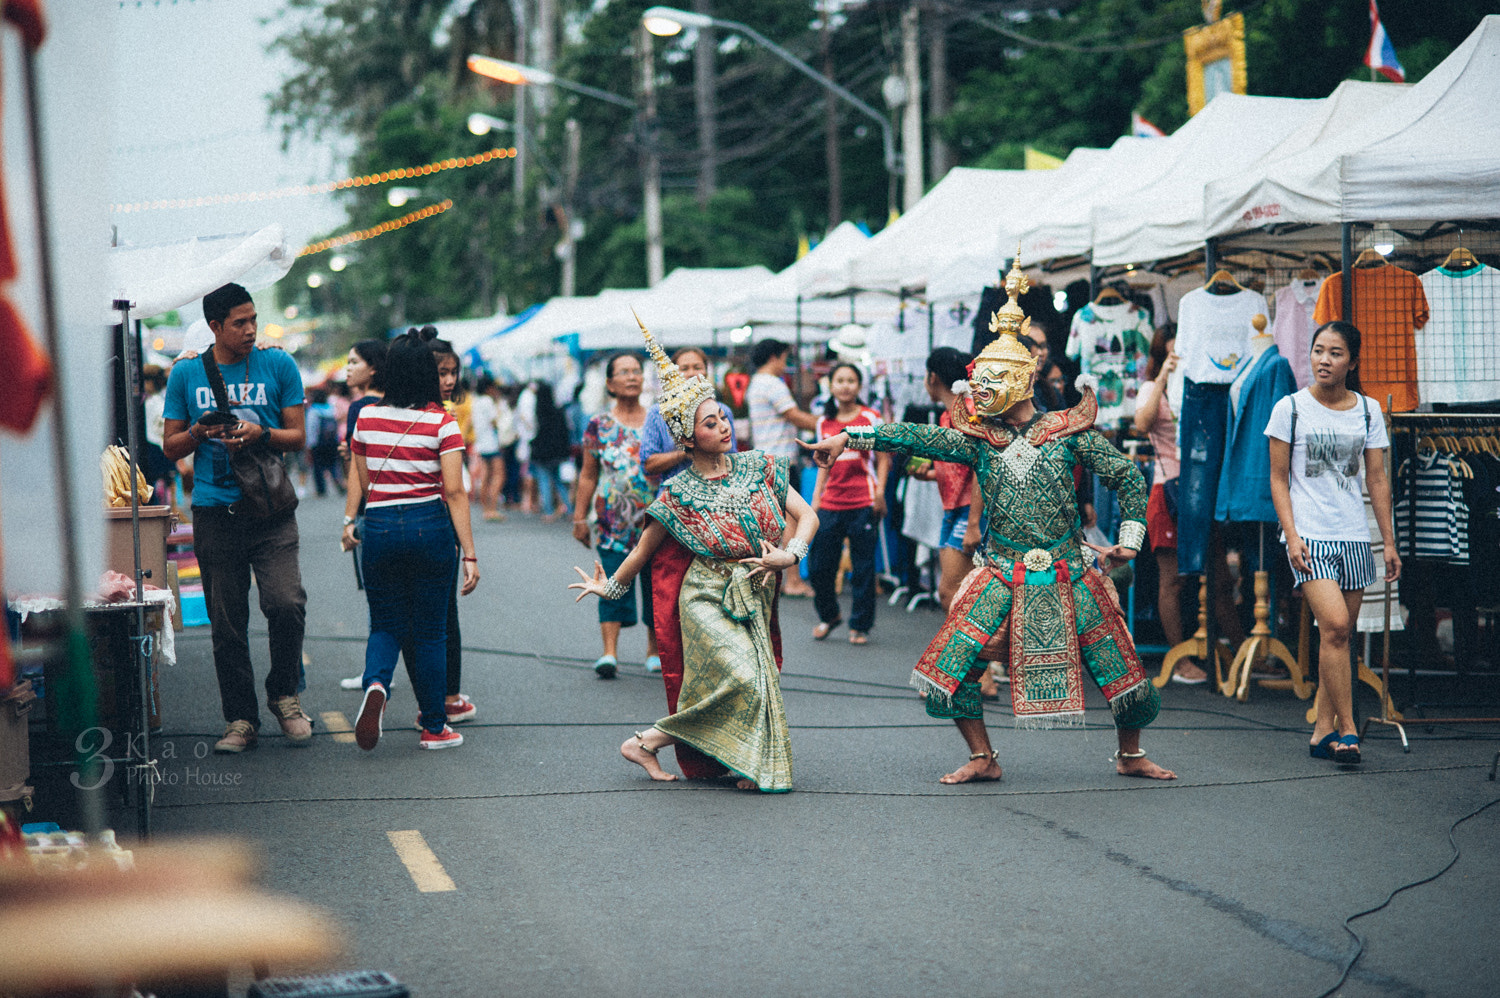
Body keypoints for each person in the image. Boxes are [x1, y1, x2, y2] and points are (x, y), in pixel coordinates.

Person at [805, 260, 1173, 784]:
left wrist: (1130, 541)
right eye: (978, 379)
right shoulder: (979, 439)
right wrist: (851, 439)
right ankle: (983, 756)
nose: (977, 390)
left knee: (1123, 672)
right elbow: (917, 437)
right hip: (1000, 572)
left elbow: (1129, 480)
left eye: (990, 379)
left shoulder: (1066, 431)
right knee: (951, 673)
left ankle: (1131, 754)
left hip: (1071, 570)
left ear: (1022, 379)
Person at [570, 319, 818, 791]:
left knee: (757, 679)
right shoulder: (677, 494)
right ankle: (731, 758)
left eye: (723, 418)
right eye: (710, 424)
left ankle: (648, 743)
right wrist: (609, 588)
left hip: (757, 590)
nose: (723, 427)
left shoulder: (758, 466)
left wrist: (791, 555)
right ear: (687, 438)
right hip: (704, 596)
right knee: (744, 677)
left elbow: (807, 517)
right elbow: (642, 553)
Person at [161, 283, 312, 754]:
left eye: (253, 320)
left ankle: (284, 694)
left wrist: (260, 433)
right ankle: (241, 718)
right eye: (239, 323)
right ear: (214, 327)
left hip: (270, 510)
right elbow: (170, 446)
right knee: (227, 623)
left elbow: (298, 436)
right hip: (214, 510)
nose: (250, 330)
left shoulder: (278, 363)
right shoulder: (186, 374)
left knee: (287, 603)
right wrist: (199, 431)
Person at [1267, 320, 1399, 765]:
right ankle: (1347, 728)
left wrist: (1390, 541)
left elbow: (1377, 479)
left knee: (1336, 639)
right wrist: (1291, 536)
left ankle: (1321, 730)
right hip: (1310, 536)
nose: (1324, 359)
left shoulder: (1368, 410)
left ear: (1353, 362)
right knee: (1337, 627)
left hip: (1354, 537)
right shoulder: (1290, 408)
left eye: (1335, 353)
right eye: (1319, 350)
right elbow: (1278, 479)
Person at [350, 330, 479, 751]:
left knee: (385, 624)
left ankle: (376, 685)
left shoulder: (366, 418)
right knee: (429, 631)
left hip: (380, 527)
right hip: (430, 526)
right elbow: (455, 491)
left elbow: (366, 484)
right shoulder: (442, 421)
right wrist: (470, 555)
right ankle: (435, 726)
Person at [573, 353, 658, 677]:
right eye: (624, 372)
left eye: (636, 371)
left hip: (655, 519)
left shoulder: (657, 419)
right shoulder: (599, 425)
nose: (632, 377)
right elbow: (587, 474)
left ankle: (654, 651)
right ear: (610, 383)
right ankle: (609, 652)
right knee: (609, 581)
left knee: (655, 585)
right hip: (611, 520)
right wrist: (579, 518)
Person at [808, 363, 888, 645]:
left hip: (863, 501)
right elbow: (822, 463)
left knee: (863, 566)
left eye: (851, 380)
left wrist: (880, 493)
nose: (845, 385)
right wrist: (815, 499)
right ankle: (829, 616)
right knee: (819, 566)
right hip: (830, 503)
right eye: (840, 380)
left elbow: (883, 457)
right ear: (830, 385)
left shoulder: (871, 417)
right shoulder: (822, 422)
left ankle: (860, 625)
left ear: (859, 385)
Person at [1134, 330, 1197, 682]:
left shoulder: (1196, 387)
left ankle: (1225, 647)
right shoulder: (1153, 389)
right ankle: (1180, 658)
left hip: (1200, 490)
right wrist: (1162, 377)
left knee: (1212, 575)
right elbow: (1142, 424)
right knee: (1170, 579)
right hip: (1167, 489)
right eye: (1170, 353)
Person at [747, 338, 819, 597]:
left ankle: (784, 578)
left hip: (767, 458)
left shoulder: (756, 383)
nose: (786, 364)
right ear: (774, 357)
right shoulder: (771, 383)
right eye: (785, 358)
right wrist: (828, 426)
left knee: (778, 521)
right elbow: (795, 416)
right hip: (780, 460)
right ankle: (793, 580)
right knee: (791, 520)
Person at [640, 347, 737, 487]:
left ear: (706, 372)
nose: (691, 373)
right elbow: (648, 465)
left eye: (697, 367)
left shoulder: (722, 411)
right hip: (674, 498)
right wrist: (686, 453)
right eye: (684, 369)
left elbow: (732, 458)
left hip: (717, 493)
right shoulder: (658, 413)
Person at [529, 381, 574, 523]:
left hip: (542, 453)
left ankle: (548, 511)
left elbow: (536, 433)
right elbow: (565, 432)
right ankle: (570, 509)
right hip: (557, 453)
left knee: (544, 480)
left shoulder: (539, 412)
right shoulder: (559, 411)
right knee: (558, 480)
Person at [471, 373, 505, 522]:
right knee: (499, 475)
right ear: (489, 388)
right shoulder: (488, 401)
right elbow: (495, 421)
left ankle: (486, 509)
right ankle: (492, 508)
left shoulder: (476, 401)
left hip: (481, 442)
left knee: (485, 476)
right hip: (491, 443)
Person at [305, 388, 342, 497]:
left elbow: (311, 428)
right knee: (333, 464)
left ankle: (321, 489)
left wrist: (309, 445)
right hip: (332, 442)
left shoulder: (313, 410)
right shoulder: (330, 409)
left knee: (318, 467)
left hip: (318, 443)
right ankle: (338, 481)